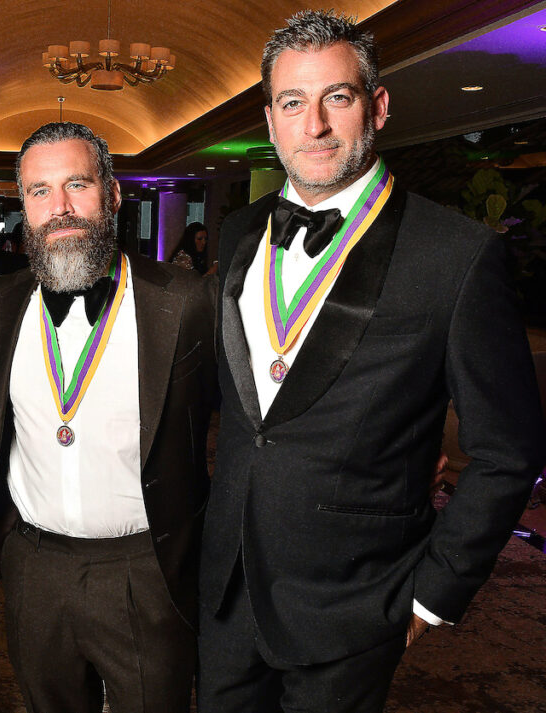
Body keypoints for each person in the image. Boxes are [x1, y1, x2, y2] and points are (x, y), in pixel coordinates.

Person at [197, 11, 546, 713]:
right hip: (226, 591)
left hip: (357, 605)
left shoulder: (454, 255)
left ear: (377, 107)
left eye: (339, 97)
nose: (315, 125)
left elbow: (509, 452)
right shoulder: (237, 235)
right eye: (293, 103)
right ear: (270, 120)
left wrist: (432, 593)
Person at [0, 122, 216, 713]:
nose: (60, 208)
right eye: (39, 191)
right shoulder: (0, 302)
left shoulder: (184, 302)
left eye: (77, 184)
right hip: (34, 568)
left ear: (112, 193)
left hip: (146, 570)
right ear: (22, 205)